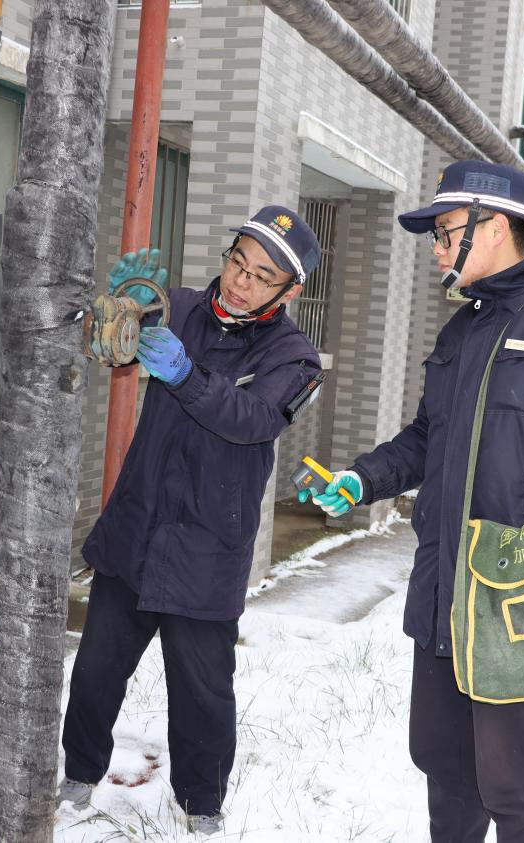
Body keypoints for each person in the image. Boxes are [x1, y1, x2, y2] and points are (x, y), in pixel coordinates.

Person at [301, 160, 524, 842]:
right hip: (445, 584)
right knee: (443, 761)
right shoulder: (461, 330)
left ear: (493, 226)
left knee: (515, 780)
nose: (435, 246)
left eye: (444, 231)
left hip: (516, 589)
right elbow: (428, 437)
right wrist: (363, 479)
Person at [60, 206, 324, 834]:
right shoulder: (177, 306)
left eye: (262, 277)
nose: (240, 282)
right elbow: (113, 350)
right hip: (138, 529)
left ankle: (202, 804)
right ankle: (78, 774)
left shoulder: (295, 358)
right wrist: (120, 303)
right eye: (238, 262)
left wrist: (185, 374)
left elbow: (253, 420)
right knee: (97, 668)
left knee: (203, 692)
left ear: (291, 290)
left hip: (208, 549)